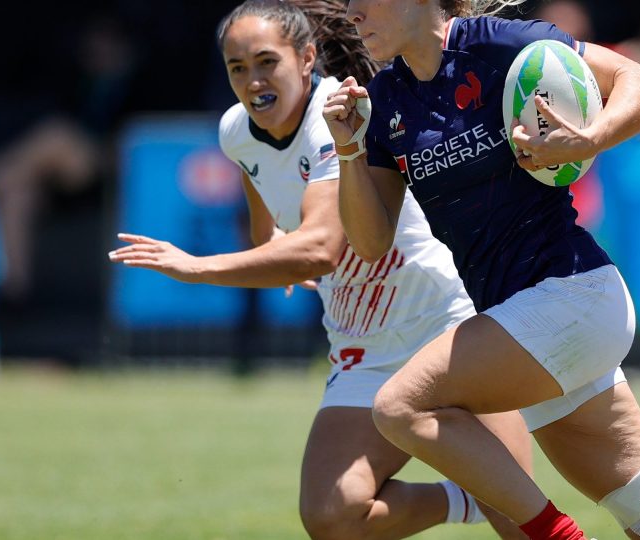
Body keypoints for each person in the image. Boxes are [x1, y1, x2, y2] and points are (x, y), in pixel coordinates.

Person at [323, 0, 640, 538]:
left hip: (570, 296)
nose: (350, 13)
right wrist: (347, 150)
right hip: (529, 323)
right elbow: (369, 242)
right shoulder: (387, 97)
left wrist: (591, 138)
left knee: (399, 407)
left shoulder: (498, 44)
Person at [108, 1, 530, 538]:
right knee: (333, 515)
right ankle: (468, 500)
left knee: (521, 520)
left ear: (307, 58)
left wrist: (197, 267)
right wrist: (272, 249)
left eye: (266, 62)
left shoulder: (337, 112)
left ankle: (499, 499)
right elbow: (262, 194)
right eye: (238, 68)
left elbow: (323, 248)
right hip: (364, 347)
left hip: (445, 324)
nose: (253, 80)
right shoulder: (237, 130)